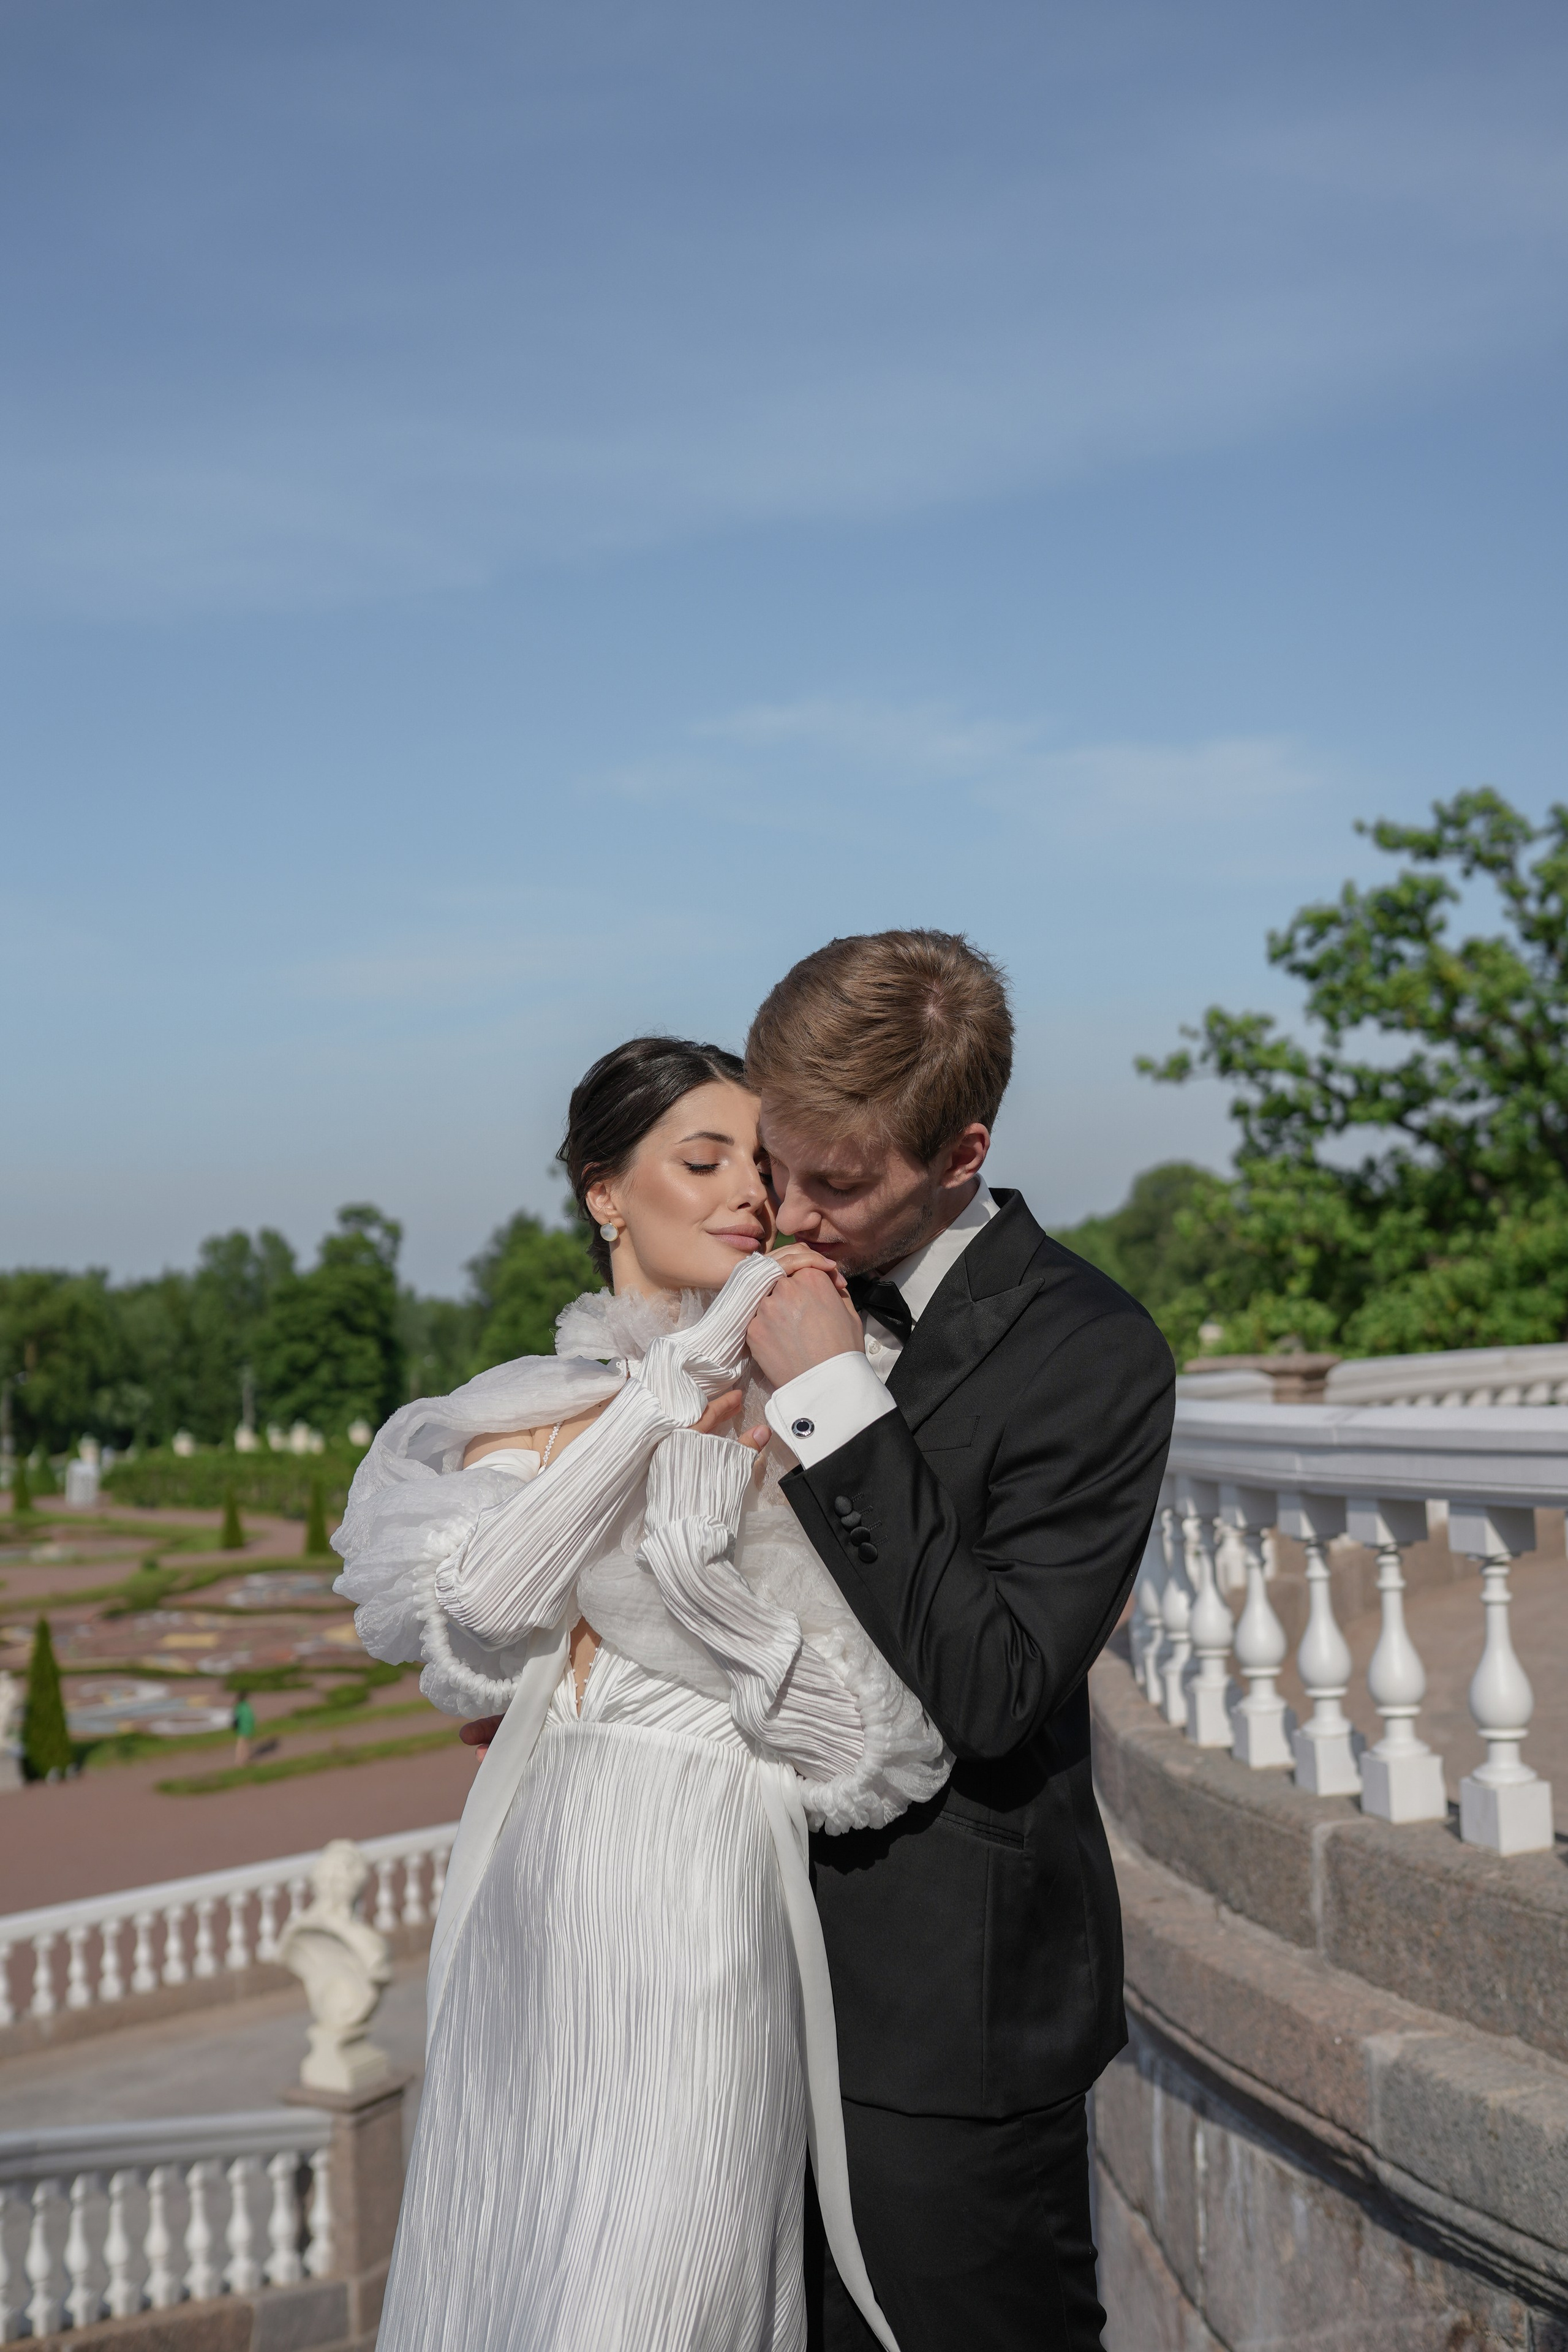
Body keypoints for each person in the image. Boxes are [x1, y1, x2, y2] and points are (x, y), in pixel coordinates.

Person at [333, 1037, 950, 2352]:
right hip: (540, 1893)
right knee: (516, 2260)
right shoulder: (540, 1409)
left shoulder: (831, 1409)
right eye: (704, 1158)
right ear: (603, 1192)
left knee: (663, 2295)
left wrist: (700, 1577)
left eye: (763, 1167)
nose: (749, 1193)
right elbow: (488, 1608)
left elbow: (866, 1752)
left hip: (706, 1890)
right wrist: (666, 1390)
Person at [740, 930, 1175, 2352]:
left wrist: (826, 1404)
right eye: (773, 1162)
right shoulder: (747, 1286)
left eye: (838, 1182)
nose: (788, 1216)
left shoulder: (1091, 1350)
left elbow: (991, 1687)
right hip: (727, 1979)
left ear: (957, 1151)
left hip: (945, 2020)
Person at [231, 1691, 256, 1766]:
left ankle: (245, 1758)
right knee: (242, 1743)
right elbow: (240, 1716)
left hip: (245, 1726)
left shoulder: (242, 1705)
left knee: (245, 1743)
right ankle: (239, 1760)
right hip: (244, 1726)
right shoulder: (243, 1706)